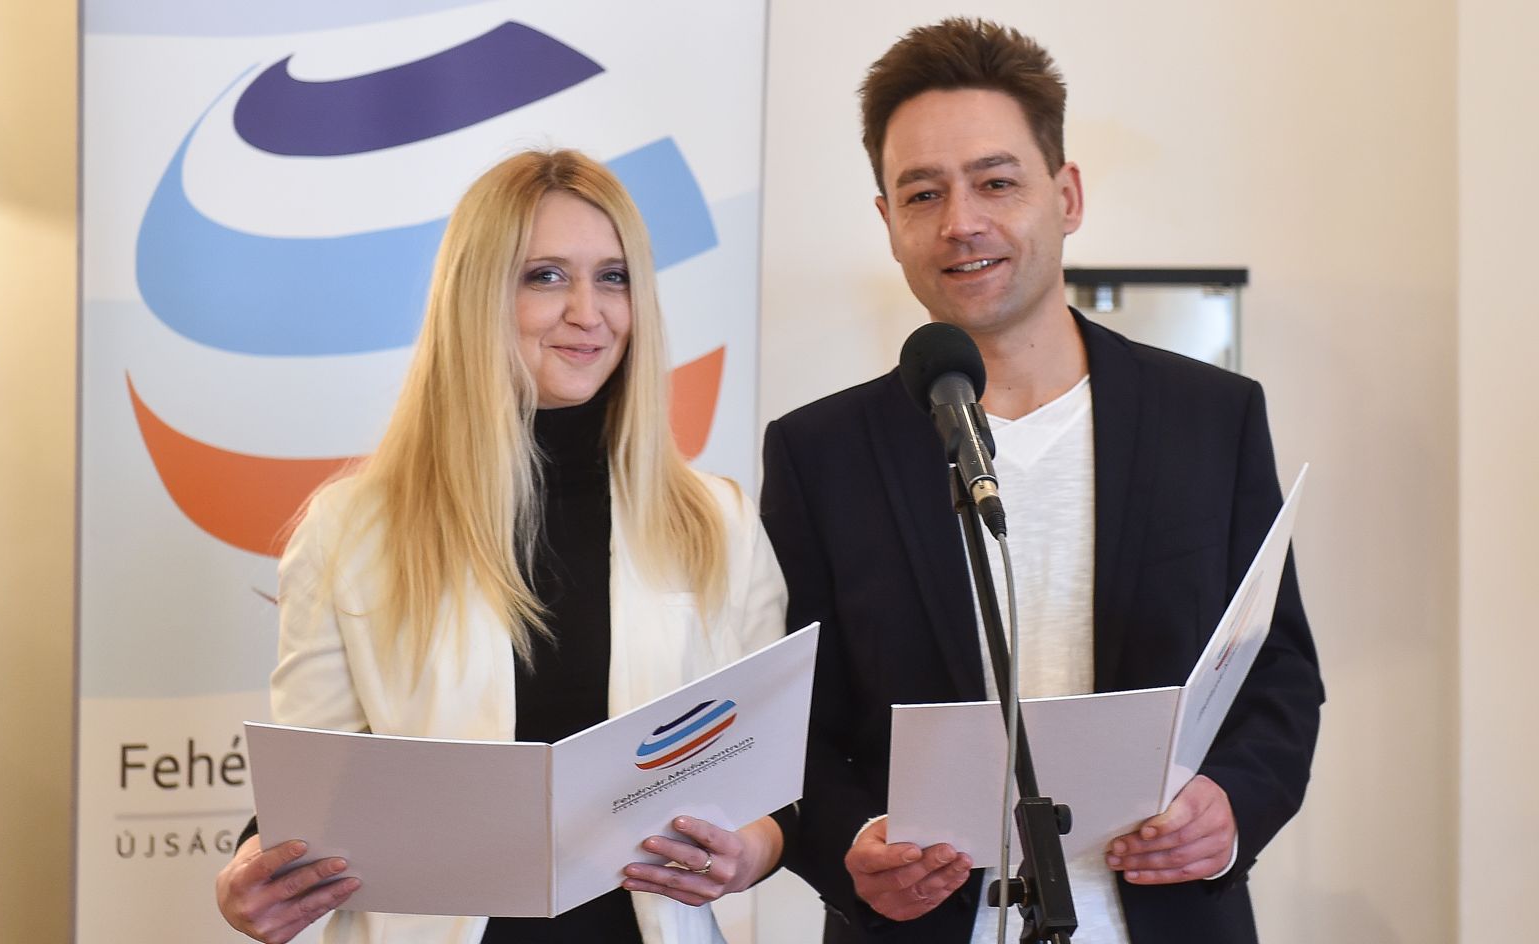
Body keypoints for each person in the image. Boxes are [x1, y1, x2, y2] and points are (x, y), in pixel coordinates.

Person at [760, 19, 1323, 944]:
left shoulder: (1210, 418)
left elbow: (1279, 675)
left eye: (996, 182)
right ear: (889, 223)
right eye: (924, 193)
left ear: (1066, 197)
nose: (961, 222)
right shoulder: (819, 452)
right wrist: (852, 844)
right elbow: (791, 727)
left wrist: (1230, 808)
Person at [214, 149, 789, 944]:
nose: (588, 312)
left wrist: (753, 850)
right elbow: (319, 790)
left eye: (614, 277)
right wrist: (255, 867)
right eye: (545, 276)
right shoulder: (351, 529)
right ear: (476, 296)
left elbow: (768, 785)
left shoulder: (717, 521)